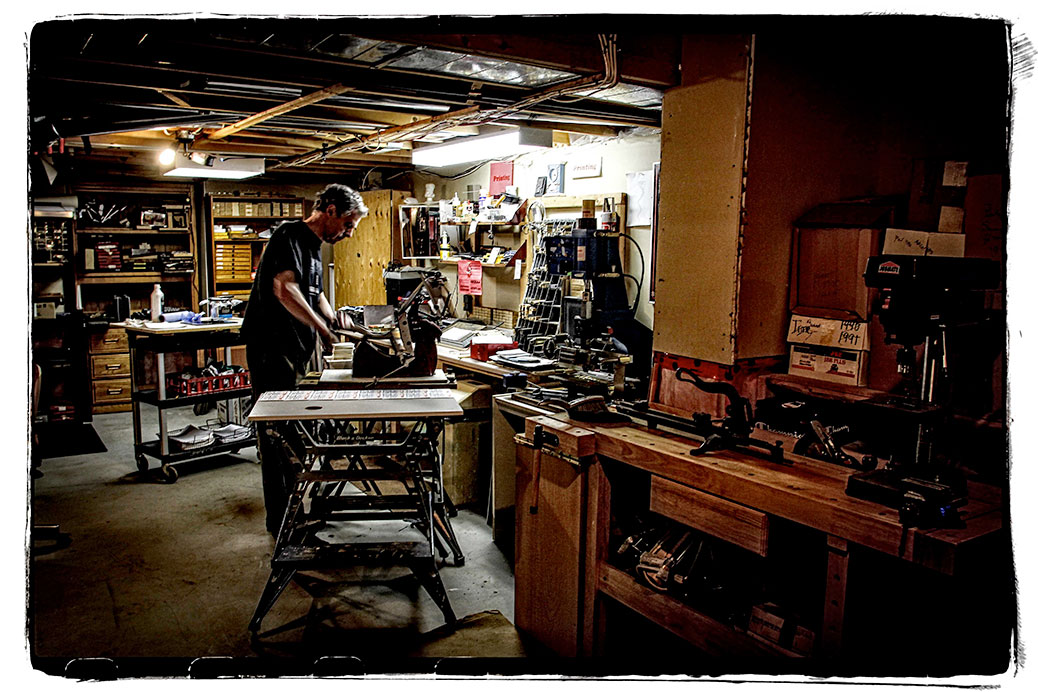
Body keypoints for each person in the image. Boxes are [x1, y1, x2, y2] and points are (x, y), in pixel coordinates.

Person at [242, 183, 367, 535]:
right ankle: (280, 519)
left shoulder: (313, 247)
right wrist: (322, 330)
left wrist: (336, 319)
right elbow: (285, 289)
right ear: (329, 210)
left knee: (295, 431)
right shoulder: (288, 236)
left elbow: (316, 292)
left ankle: (296, 508)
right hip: (272, 348)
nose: (349, 232)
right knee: (276, 433)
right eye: (347, 223)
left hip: (294, 348)